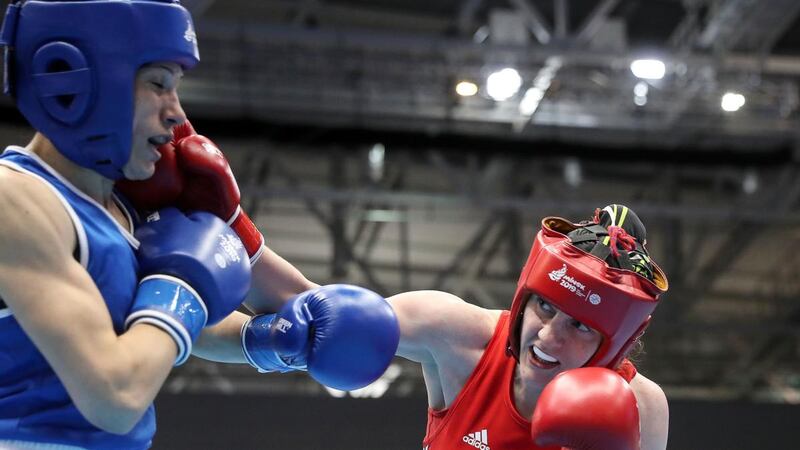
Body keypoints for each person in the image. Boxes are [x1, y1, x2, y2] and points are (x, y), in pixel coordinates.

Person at [0, 1, 399, 449]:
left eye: (177, 89)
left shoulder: (119, 207)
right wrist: (182, 288)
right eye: (158, 84)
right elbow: (115, 394)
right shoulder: (14, 198)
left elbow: (153, 323)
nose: (176, 113)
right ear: (77, 79)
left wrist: (263, 338)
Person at [388, 204, 670, 450]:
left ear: (614, 346)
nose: (548, 336)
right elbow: (351, 315)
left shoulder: (640, 406)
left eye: (579, 325)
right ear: (524, 298)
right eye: (545, 307)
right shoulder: (457, 334)